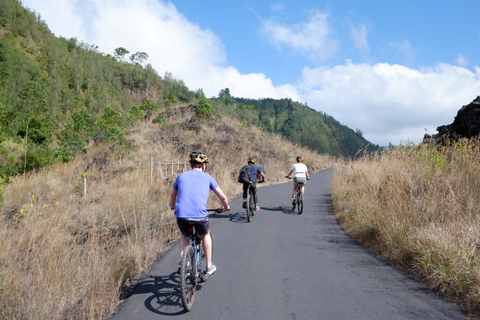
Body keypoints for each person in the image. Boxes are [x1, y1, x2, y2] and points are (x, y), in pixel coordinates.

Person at [170, 151, 229, 275]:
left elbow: (172, 195)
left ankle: (183, 262)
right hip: (200, 216)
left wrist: (172, 207)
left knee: (185, 237)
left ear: (191, 165)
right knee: (205, 235)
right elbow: (223, 197)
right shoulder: (207, 177)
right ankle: (208, 266)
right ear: (203, 166)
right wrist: (225, 207)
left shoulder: (180, 177)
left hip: (182, 216)